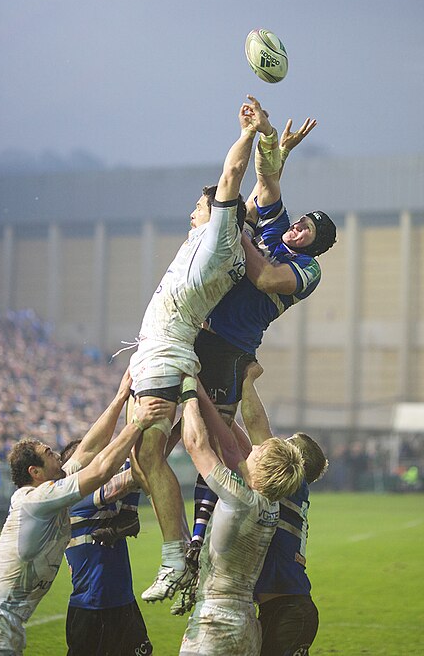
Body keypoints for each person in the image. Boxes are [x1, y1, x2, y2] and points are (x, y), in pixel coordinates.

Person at [128, 96, 275, 602]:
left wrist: (249, 131)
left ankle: (175, 558)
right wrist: (275, 154)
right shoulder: (227, 241)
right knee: (141, 459)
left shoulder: (217, 239)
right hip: (159, 345)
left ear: (214, 213)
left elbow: (234, 175)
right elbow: (253, 195)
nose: (193, 210)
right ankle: (174, 544)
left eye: (199, 205)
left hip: (167, 345)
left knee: (149, 456)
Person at [188, 110, 336, 553]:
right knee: (159, 419)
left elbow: (268, 280)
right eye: (301, 220)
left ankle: (199, 538)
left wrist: (240, 236)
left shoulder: (307, 270)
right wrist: (271, 142)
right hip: (200, 325)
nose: (297, 226)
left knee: (214, 438)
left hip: (230, 349)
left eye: (307, 229)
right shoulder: (274, 226)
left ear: (316, 245)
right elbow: (266, 183)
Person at [0, 370, 170, 656]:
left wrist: (121, 396)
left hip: (2, 625)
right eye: (48, 453)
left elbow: (88, 449)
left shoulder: (48, 493)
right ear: (35, 472)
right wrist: (136, 423)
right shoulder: (37, 498)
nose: (57, 455)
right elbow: (100, 469)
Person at [178, 375, 304, 656]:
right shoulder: (270, 504)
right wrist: (206, 396)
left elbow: (196, 445)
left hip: (215, 621)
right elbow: (232, 446)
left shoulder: (240, 498)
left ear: (261, 469)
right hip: (247, 623)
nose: (254, 448)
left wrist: (188, 392)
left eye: (259, 451)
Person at [241, 364, 328, 656]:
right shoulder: (293, 489)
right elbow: (250, 444)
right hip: (286, 609)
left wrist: (247, 380)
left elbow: (256, 429)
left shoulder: (292, 481)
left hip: (289, 612)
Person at [60, 442, 151, 656]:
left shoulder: (103, 502)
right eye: (94, 458)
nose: (102, 461)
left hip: (123, 602)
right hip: (93, 610)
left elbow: (143, 464)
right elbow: (137, 472)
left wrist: (171, 430)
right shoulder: (77, 500)